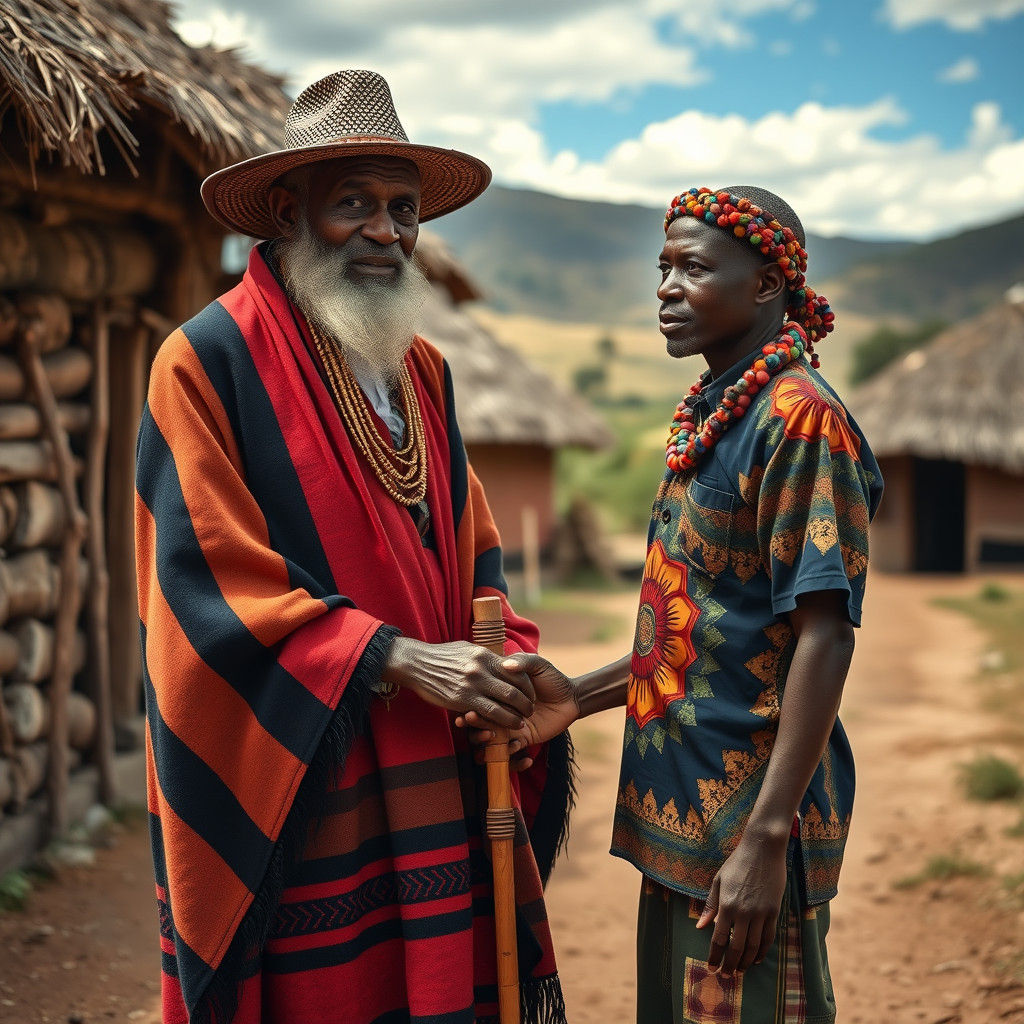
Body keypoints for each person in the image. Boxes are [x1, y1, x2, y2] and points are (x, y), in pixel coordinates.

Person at [136, 69, 572, 1024]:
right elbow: (204, 584)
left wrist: (506, 665)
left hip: (433, 758)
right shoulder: (204, 362)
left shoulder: (423, 370)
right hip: (299, 779)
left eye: (404, 208)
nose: (386, 231)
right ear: (286, 212)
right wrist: (399, 658)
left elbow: (472, 547)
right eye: (354, 205)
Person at [466, 185, 883, 1023]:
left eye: (694, 267)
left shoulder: (798, 421)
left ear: (767, 285)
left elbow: (824, 634)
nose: (666, 286)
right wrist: (576, 699)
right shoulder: (718, 411)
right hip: (684, 823)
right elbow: (702, 621)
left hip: (749, 825)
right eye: (662, 266)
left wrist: (766, 840)